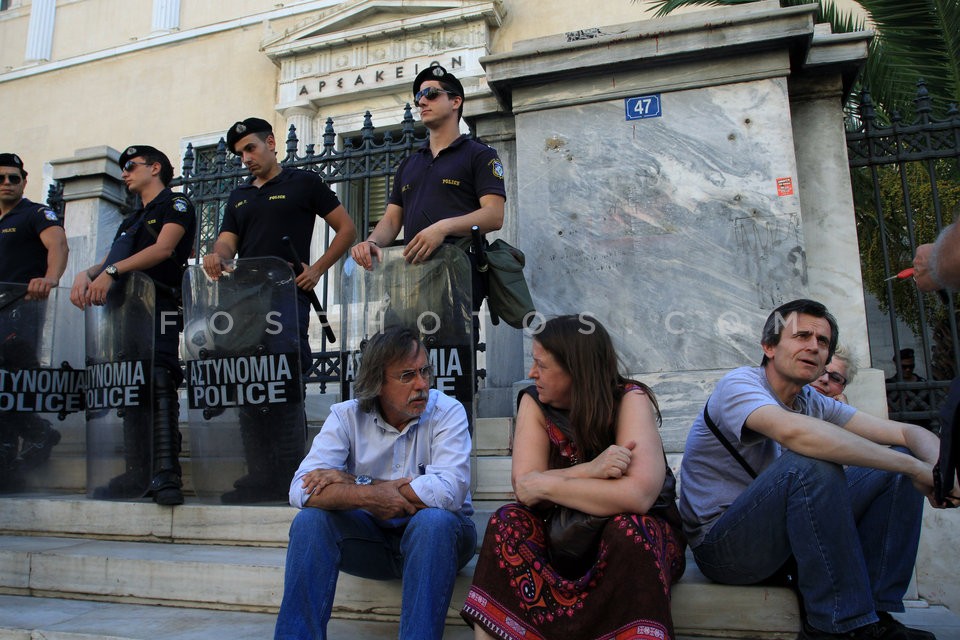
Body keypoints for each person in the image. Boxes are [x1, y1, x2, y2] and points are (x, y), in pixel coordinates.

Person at [678, 298, 959, 640]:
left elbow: (907, 432)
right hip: (724, 549)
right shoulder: (739, 385)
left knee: (893, 468)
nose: (813, 346)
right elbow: (795, 433)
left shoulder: (813, 402)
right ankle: (835, 626)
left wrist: (942, 472)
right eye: (801, 336)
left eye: (822, 341)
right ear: (769, 346)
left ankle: (875, 614)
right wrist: (915, 468)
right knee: (809, 462)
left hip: (781, 543)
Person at [462, 314, 686, 640]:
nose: (531, 373)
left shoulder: (628, 399)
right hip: (560, 538)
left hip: (630, 543)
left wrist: (546, 483)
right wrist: (591, 471)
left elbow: (638, 496)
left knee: (629, 527)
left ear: (577, 370)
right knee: (507, 521)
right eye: (532, 362)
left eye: (542, 365)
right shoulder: (534, 403)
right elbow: (524, 489)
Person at [274, 325, 476, 640]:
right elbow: (301, 489)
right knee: (310, 522)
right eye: (407, 376)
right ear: (377, 383)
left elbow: (448, 491)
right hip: (370, 543)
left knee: (434, 520)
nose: (422, 384)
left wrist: (358, 484)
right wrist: (370, 498)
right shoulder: (345, 416)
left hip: (443, 541)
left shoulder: (447, 412)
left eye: (425, 371)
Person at [201, 116, 357, 504]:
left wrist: (317, 270)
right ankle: (259, 474)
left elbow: (347, 229)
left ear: (271, 142)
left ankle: (288, 473)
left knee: (283, 381)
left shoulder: (303, 183)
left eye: (250, 148)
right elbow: (226, 243)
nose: (246, 158)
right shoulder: (239, 196)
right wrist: (215, 257)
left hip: (286, 299)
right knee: (250, 382)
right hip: (243, 302)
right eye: (239, 154)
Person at [70, 145, 196, 505]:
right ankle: (137, 470)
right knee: (132, 385)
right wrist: (87, 272)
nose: (124, 173)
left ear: (155, 168)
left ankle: (166, 472)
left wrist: (109, 272)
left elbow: (163, 250)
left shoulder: (176, 205)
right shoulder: (131, 219)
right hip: (126, 311)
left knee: (159, 377)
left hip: (159, 304)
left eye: (131, 166)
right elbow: (113, 260)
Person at [349, 65, 506, 313]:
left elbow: (494, 215)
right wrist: (371, 241)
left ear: (456, 101)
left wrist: (443, 228)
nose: (422, 101)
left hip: (457, 277)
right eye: (418, 97)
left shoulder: (479, 154)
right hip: (410, 279)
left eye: (431, 94)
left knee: (450, 351)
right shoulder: (409, 163)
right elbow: (391, 220)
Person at [0, 152, 70, 491]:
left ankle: (13, 459)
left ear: (25, 182)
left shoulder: (35, 213)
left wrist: (51, 278)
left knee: (10, 385)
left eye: (15, 177)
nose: (8, 183)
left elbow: (57, 243)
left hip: (20, 311)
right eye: (1, 177)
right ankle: (40, 433)